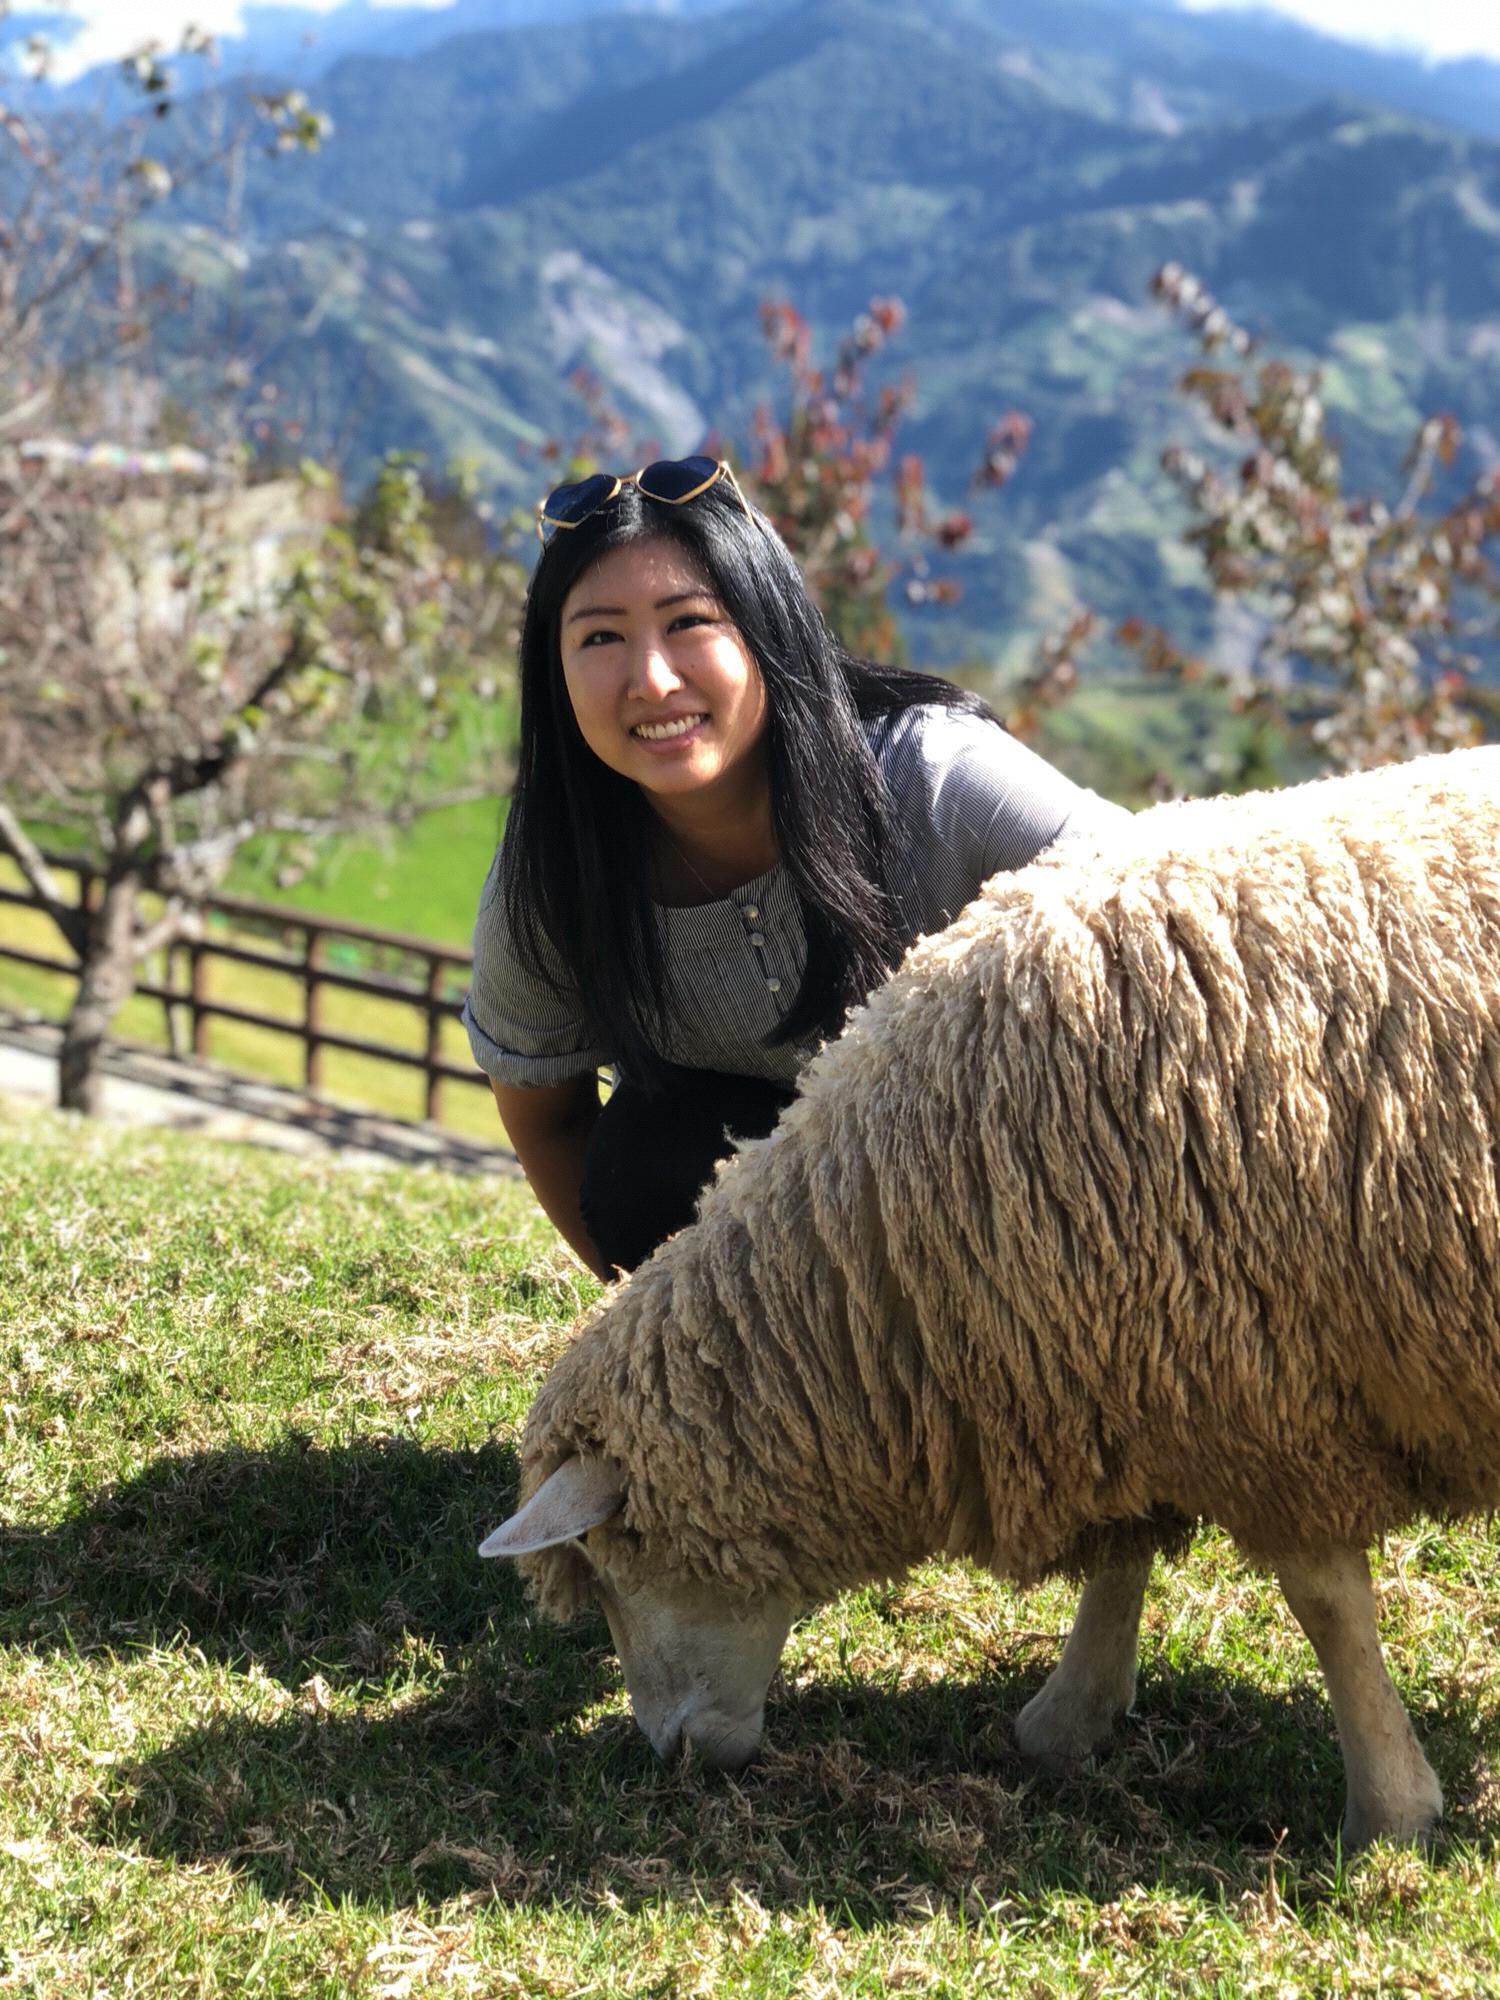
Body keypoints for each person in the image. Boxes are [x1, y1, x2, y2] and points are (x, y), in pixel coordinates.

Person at [463, 456, 1128, 1279]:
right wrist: (642, 1322)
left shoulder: (935, 776)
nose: (652, 680)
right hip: (806, 1237)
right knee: (643, 1163)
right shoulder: (556, 869)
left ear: (768, 627)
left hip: (1025, 1169)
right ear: (553, 671)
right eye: (601, 637)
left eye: (689, 622)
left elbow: (1161, 901)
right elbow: (548, 1119)